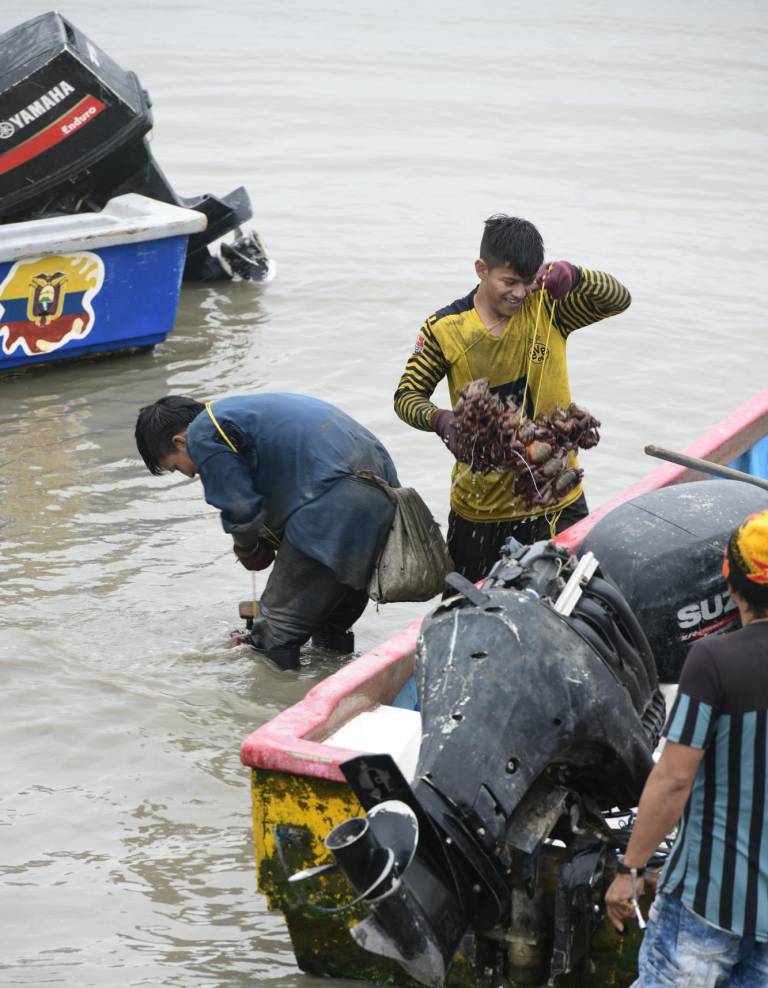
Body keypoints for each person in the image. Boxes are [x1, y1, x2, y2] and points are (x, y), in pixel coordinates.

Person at [598, 509, 768, 988]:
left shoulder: (712, 661)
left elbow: (672, 780)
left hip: (707, 900)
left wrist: (630, 869)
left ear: (731, 582)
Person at [394, 214, 631, 581]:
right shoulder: (445, 329)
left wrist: (575, 275)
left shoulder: (551, 308)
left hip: (557, 499)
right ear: (481, 270)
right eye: (509, 282)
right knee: (468, 611)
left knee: (577, 599)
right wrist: (442, 421)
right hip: (479, 508)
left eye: (528, 281)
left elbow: (618, 299)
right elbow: (407, 396)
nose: (520, 293)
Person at [135, 392, 399, 671]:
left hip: (334, 507)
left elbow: (240, 508)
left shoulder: (202, 431)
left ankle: (272, 706)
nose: (189, 474)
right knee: (329, 624)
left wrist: (246, 548)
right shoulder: (245, 414)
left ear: (180, 441)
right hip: (382, 501)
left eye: (177, 466)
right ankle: (337, 690)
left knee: (274, 632)